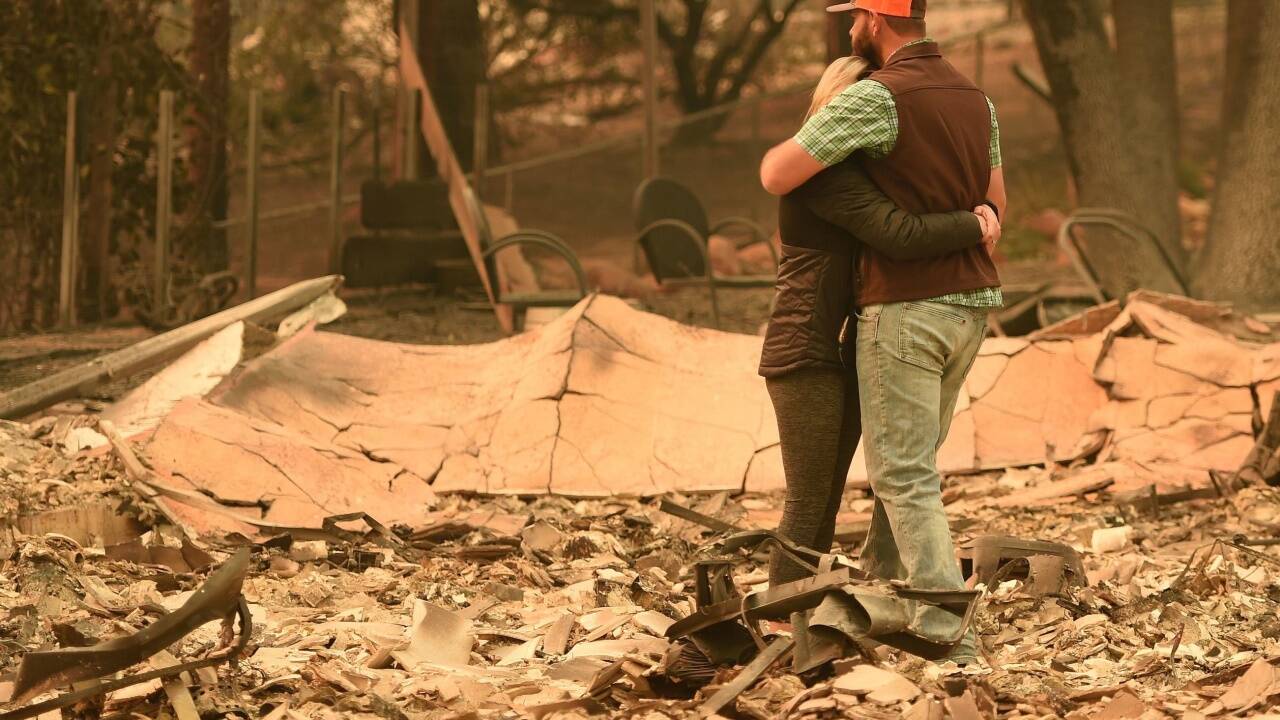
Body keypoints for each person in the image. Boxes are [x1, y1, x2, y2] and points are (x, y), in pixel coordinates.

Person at [759, 0, 1004, 665]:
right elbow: (986, 205)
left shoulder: (881, 100)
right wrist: (979, 222)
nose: (848, 25)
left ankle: (946, 629)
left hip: (902, 312)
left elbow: (782, 171)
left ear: (877, 16)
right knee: (875, 478)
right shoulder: (974, 99)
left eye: (855, 14)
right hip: (942, 314)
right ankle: (818, 613)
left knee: (899, 475)